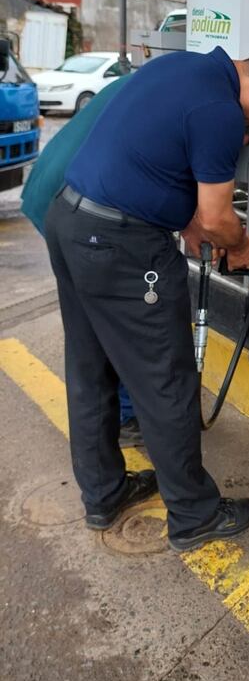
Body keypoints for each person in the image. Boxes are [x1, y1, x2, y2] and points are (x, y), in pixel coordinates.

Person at [44, 44, 249, 551]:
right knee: (165, 379)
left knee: (89, 368)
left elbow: (151, 161)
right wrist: (246, 251)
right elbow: (217, 217)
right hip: (121, 244)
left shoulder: (182, 67)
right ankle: (194, 515)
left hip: (72, 221)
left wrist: (189, 223)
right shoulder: (220, 112)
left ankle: (104, 495)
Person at [21, 72, 146, 445]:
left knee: (95, 315)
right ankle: (126, 416)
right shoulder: (193, 104)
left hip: (56, 187)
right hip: (73, 201)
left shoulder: (150, 82)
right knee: (113, 316)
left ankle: (118, 412)